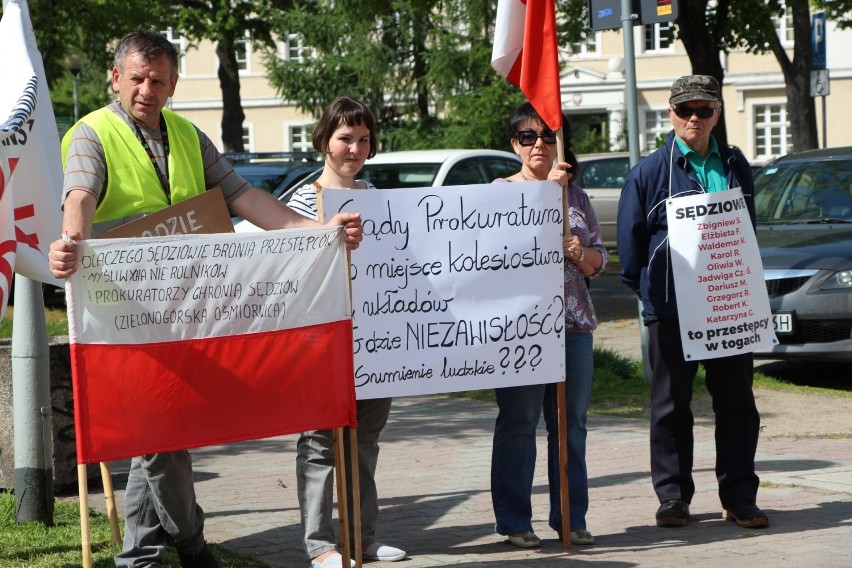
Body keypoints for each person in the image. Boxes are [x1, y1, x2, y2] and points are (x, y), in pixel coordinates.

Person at [47, 30, 363, 568]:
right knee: (159, 436)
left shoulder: (189, 136)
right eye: (138, 78)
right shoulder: (90, 133)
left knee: (168, 429)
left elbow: (242, 196)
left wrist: (316, 231)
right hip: (126, 312)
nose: (148, 89)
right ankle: (191, 542)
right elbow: (79, 193)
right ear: (115, 78)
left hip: (187, 309)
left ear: (172, 85)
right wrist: (71, 241)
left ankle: (140, 553)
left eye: (160, 81)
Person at [616, 75, 769, 529]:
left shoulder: (737, 165)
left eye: (704, 110)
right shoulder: (648, 172)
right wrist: (655, 292)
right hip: (671, 309)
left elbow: (745, 233)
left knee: (739, 405)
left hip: (729, 307)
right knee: (669, 406)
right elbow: (630, 251)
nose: (694, 119)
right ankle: (673, 498)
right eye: (685, 110)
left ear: (717, 115)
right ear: (671, 114)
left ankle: (740, 496)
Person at [288, 96, 406, 568]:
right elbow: (291, 270)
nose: (353, 148)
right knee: (319, 444)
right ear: (324, 141)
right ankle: (320, 545)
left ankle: (361, 537)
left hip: (373, 343)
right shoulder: (300, 200)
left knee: (363, 442)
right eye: (344, 138)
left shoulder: (377, 197)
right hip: (319, 344)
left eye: (363, 139)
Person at [490, 101, 607, 548]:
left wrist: (577, 251)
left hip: (573, 327)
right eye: (527, 136)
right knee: (518, 424)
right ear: (514, 145)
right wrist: (545, 198)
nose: (539, 143)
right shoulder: (500, 192)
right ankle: (516, 521)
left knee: (570, 425)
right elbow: (492, 254)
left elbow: (598, 262)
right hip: (519, 329)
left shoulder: (576, 196)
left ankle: (571, 518)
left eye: (547, 136)